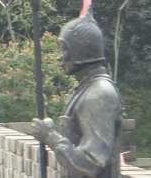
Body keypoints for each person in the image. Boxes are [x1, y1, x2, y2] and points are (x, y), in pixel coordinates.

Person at [31, 14, 123, 178]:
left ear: (79, 52)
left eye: (64, 49)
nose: (60, 56)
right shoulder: (85, 89)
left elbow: (92, 162)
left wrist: (50, 137)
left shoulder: (99, 94)